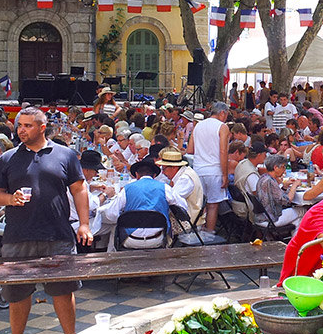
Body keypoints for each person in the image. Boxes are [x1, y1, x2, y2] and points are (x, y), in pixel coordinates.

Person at [0, 107, 92, 334]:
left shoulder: (65, 155)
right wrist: (9, 199)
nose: (21, 130)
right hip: (18, 235)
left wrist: (85, 224)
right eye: (19, 125)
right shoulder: (8, 158)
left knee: (63, 291)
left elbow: (79, 189)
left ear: (42, 127)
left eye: (28, 125)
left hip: (57, 233)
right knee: (17, 294)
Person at [98, 158, 188, 248]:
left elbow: (111, 214)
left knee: (115, 227)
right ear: (154, 175)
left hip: (130, 239)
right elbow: (183, 207)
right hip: (157, 239)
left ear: (137, 175)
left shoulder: (127, 189)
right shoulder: (165, 188)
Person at [188, 102, 230, 232]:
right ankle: (209, 234)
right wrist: (225, 174)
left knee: (200, 204)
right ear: (222, 113)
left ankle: (198, 231)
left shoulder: (198, 126)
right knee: (213, 206)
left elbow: (190, 150)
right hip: (214, 170)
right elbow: (223, 152)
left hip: (198, 169)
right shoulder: (222, 127)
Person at [256, 154, 305, 229]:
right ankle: (298, 239)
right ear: (275, 167)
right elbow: (287, 201)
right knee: (302, 210)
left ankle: (294, 238)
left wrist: (285, 187)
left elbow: (277, 197)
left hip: (261, 216)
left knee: (296, 220)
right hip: (270, 218)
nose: (284, 170)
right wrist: (294, 186)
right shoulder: (270, 181)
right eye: (283, 167)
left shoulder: (263, 177)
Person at [156, 149, 204, 224]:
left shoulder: (185, 179)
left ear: (174, 167)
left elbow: (171, 200)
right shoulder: (185, 172)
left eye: (164, 169)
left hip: (187, 220)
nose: (162, 172)